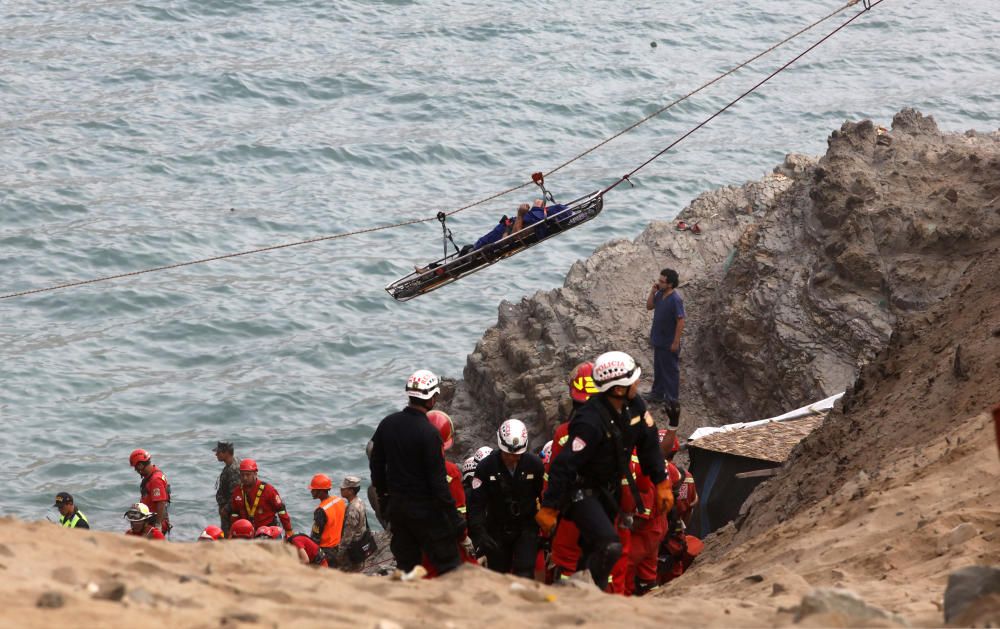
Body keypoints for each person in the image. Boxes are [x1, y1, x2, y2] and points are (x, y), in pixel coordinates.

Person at [537, 351, 672, 591]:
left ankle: (585, 593)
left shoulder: (635, 407)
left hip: (610, 492)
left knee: (592, 551)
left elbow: (649, 444)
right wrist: (550, 507)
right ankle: (587, 590)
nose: (638, 384)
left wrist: (661, 482)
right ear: (618, 389)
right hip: (582, 493)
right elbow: (564, 466)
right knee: (609, 545)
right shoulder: (589, 422)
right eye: (633, 380)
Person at [369, 369, 465, 576]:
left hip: (398, 510)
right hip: (427, 513)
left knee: (406, 568)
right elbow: (438, 484)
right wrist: (455, 520)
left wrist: (385, 500)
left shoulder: (388, 423)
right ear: (431, 399)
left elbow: (376, 467)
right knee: (449, 567)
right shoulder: (430, 434)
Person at [468, 418, 545, 578]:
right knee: (498, 574)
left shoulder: (534, 465)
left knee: (524, 571)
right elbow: (477, 505)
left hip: (526, 528)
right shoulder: (485, 468)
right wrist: (480, 534)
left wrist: (546, 530)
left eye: (517, 455)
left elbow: (544, 496)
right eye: (508, 454)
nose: (512, 458)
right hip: (497, 530)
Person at [645, 268, 685, 431]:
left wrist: (676, 342)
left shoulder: (675, 299)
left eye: (662, 281)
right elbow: (649, 307)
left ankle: (671, 400)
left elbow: (680, 321)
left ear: (670, 284)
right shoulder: (660, 294)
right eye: (659, 280)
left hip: (669, 342)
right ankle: (657, 394)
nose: (659, 282)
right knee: (659, 368)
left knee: (670, 371)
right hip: (659, 340)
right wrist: (652, 292)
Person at [461, 199, 565, 255]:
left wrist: (520, 214)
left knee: (471, 251)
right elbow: (538, 202)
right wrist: (537, 206)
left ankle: (458, 261)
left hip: (500, 235)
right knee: (470, 248)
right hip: (503, 228)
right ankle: (466, 254)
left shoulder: (539, 221)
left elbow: (516, 236)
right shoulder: (543, 214)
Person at [230, 458, 294, 537]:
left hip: (268, 531)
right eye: (242, 475)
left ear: (255, 474)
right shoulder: (237, 492)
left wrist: (288, 530)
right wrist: (232, 532)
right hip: (248, 533)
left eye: (248, 474)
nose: (245, 478)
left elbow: (281, 510)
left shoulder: (268, 490)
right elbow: (235, 514)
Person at [130, 449, 171, 535]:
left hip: (155, 522)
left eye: (135, 467)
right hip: (149, 519)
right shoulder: (151, 474)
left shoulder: (156, 480)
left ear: (140, 465)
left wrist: (158, 525)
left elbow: (161, 502)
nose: (136, 470)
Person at [308, 473, 346, 563]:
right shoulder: (339, 500)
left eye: (313, 489)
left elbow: (316, 537)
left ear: (321, 491)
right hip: (338, 545)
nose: (311, 491)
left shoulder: (321, 510)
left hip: (326, 551)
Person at [336, 475, 371, 572]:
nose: (341, 489)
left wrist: (340, 553)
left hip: (353, 548)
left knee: (348, 572)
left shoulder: (352, 509)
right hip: (361, 542)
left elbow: (348, 535)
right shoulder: (360, 501)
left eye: (343, 488)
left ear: (351, 491)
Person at [213, 441, 240, 537]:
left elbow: (236, 494)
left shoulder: (233, 469)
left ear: (227, 453)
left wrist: (225, 509)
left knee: (228, 536)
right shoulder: (231, 464)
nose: (216, 454)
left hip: (230, 512)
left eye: (219, 452)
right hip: (228, 510)